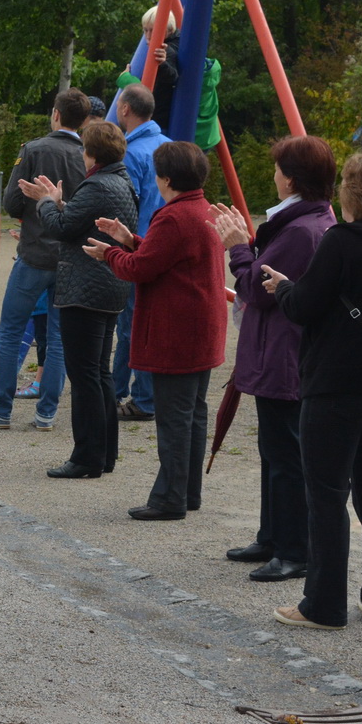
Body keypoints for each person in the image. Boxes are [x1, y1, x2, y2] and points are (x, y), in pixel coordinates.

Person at [259, 152, 362, 629]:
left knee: (327, 492)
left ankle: (323, 604)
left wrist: (284, 288)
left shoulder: (340, 241)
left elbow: (305, 306)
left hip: (335, 381)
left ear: (353, 193)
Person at [212, 135, 336, 582]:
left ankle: (293, 549)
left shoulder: (303, 229)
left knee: (286, 454)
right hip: (279, 352)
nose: (274, 176)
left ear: (293, 179)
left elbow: (254, 289)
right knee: (274, 450)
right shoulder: (309, 220)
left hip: (284, 354)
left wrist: (236, 246)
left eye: (279, 169)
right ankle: (272, 536)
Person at [87, 141, 226, 518]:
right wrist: (129, 239)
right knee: (193, 413)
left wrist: (110, 253)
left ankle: (169, 498)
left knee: (175, 418)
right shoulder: (202, 210)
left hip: (177, 331)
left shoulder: (174, 217)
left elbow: (140, 269)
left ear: (165, 179)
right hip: (203, 328)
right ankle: (186, 492)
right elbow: (163, 257)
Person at [20, 120, 136, 479]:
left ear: (92, 153)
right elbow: (81, 220)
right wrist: (60, 204)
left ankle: (86, 457)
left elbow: (62, 228)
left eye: (84, 149)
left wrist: (46, 204)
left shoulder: (97, 184)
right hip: (109, 287)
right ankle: (105, 453)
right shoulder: (122, 182)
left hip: (85, 290)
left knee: (84, 375)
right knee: (100, 373)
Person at [0, 89, 85, 430]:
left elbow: (10, 202)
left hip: (34, 253)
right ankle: (47, 413)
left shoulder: (34, 149)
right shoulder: (87, 154)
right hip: (70, 259)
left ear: (55, 114)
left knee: (10, 330)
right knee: (57, 336)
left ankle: (0, 409)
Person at [111, 83, 170, 421]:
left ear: (125, 110)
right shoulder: (168, 146)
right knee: (145, 324)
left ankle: (138, 396)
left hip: (136, 246)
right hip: (163, 245)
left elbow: (126, 205)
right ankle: (123, 390)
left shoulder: (131, 154)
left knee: (131, 326)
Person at [140, 5, 180, 127]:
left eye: (152, 30)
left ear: (168, 31)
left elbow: (172, 77)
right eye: (145, 30)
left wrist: (162, 63)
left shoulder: (166, 50)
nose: (147, 36)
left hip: (159, 119)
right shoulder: (177, 42)